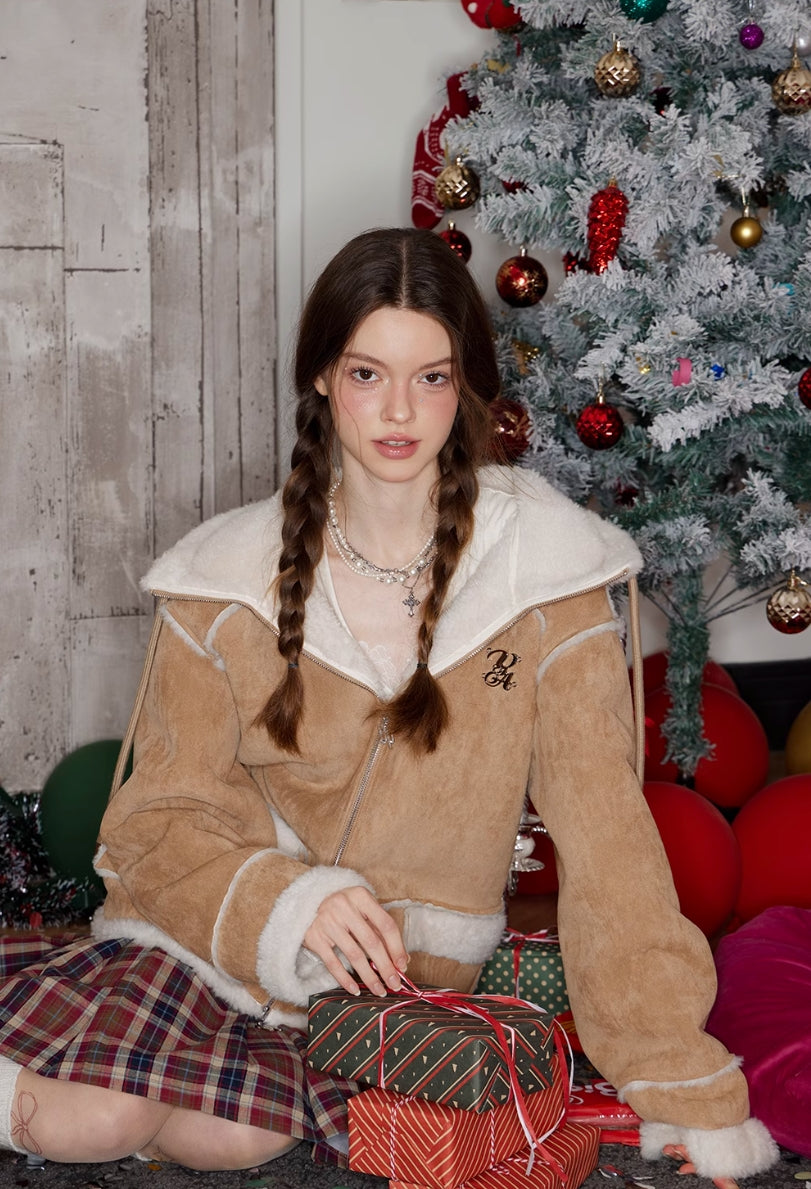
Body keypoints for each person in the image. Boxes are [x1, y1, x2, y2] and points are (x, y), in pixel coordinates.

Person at [0, 228, 777, 1182]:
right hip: (202, 936)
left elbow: (609, 840)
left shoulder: (545, 579)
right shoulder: (224, 581)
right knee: (96, 1118)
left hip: (374, 997)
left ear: (466, 385)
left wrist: (676, 1076)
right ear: (324, 376)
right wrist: (290, 901)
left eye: (431, 377)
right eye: (368, 374)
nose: (400, 411)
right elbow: (151, 826)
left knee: (233, 1138)